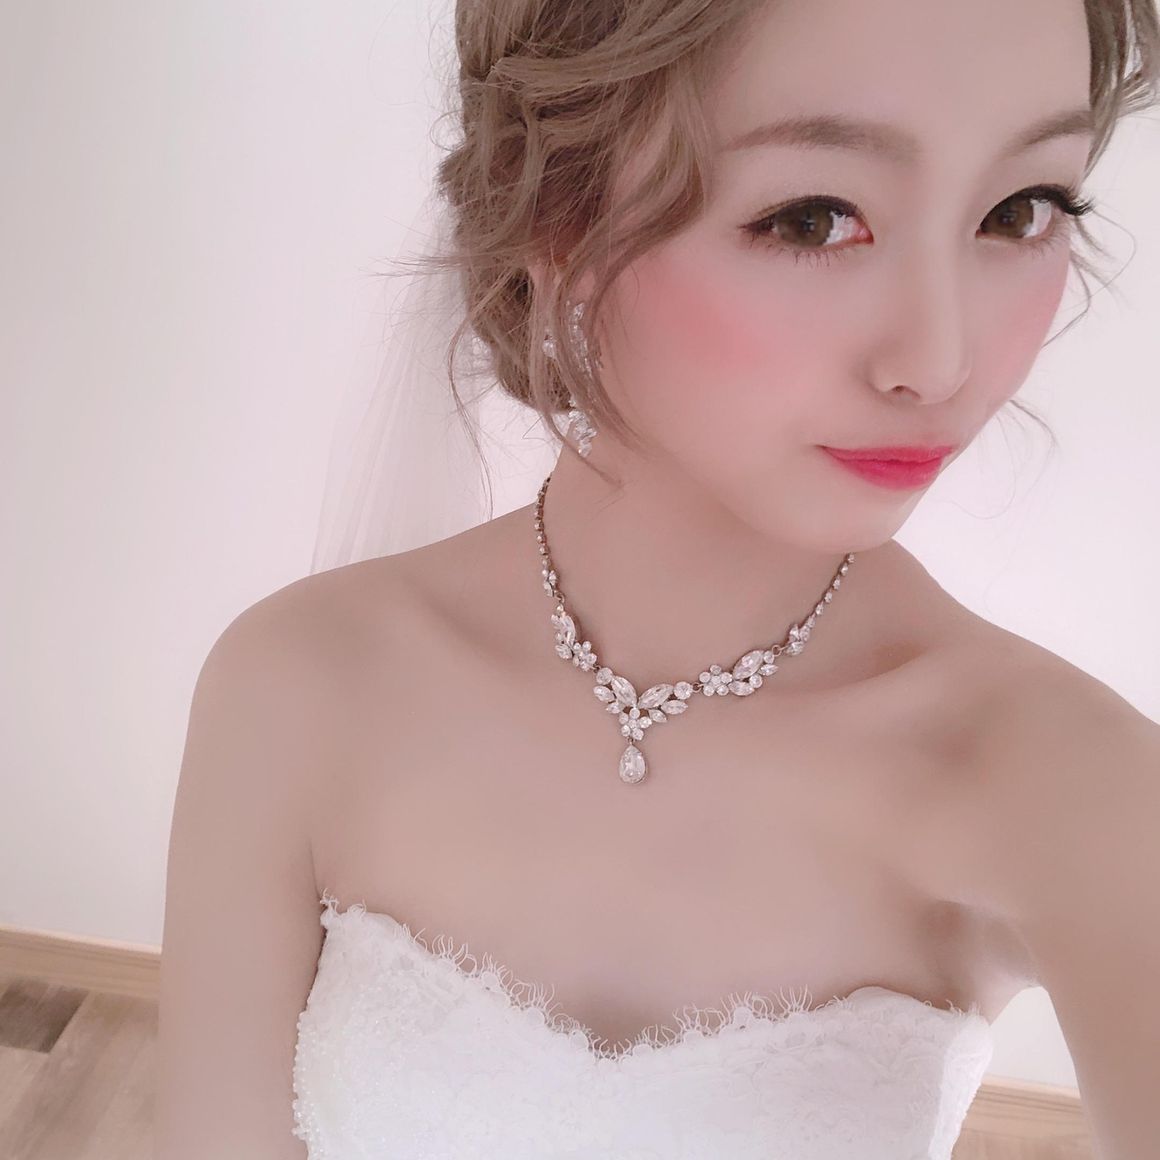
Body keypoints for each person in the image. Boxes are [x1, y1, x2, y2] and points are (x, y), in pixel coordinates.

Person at [157, 1, 1160, 1158]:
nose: (938, 361)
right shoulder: (296, 683)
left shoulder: (1073, 787)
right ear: (554, 215)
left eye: (1018, 209)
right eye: (813, 217)